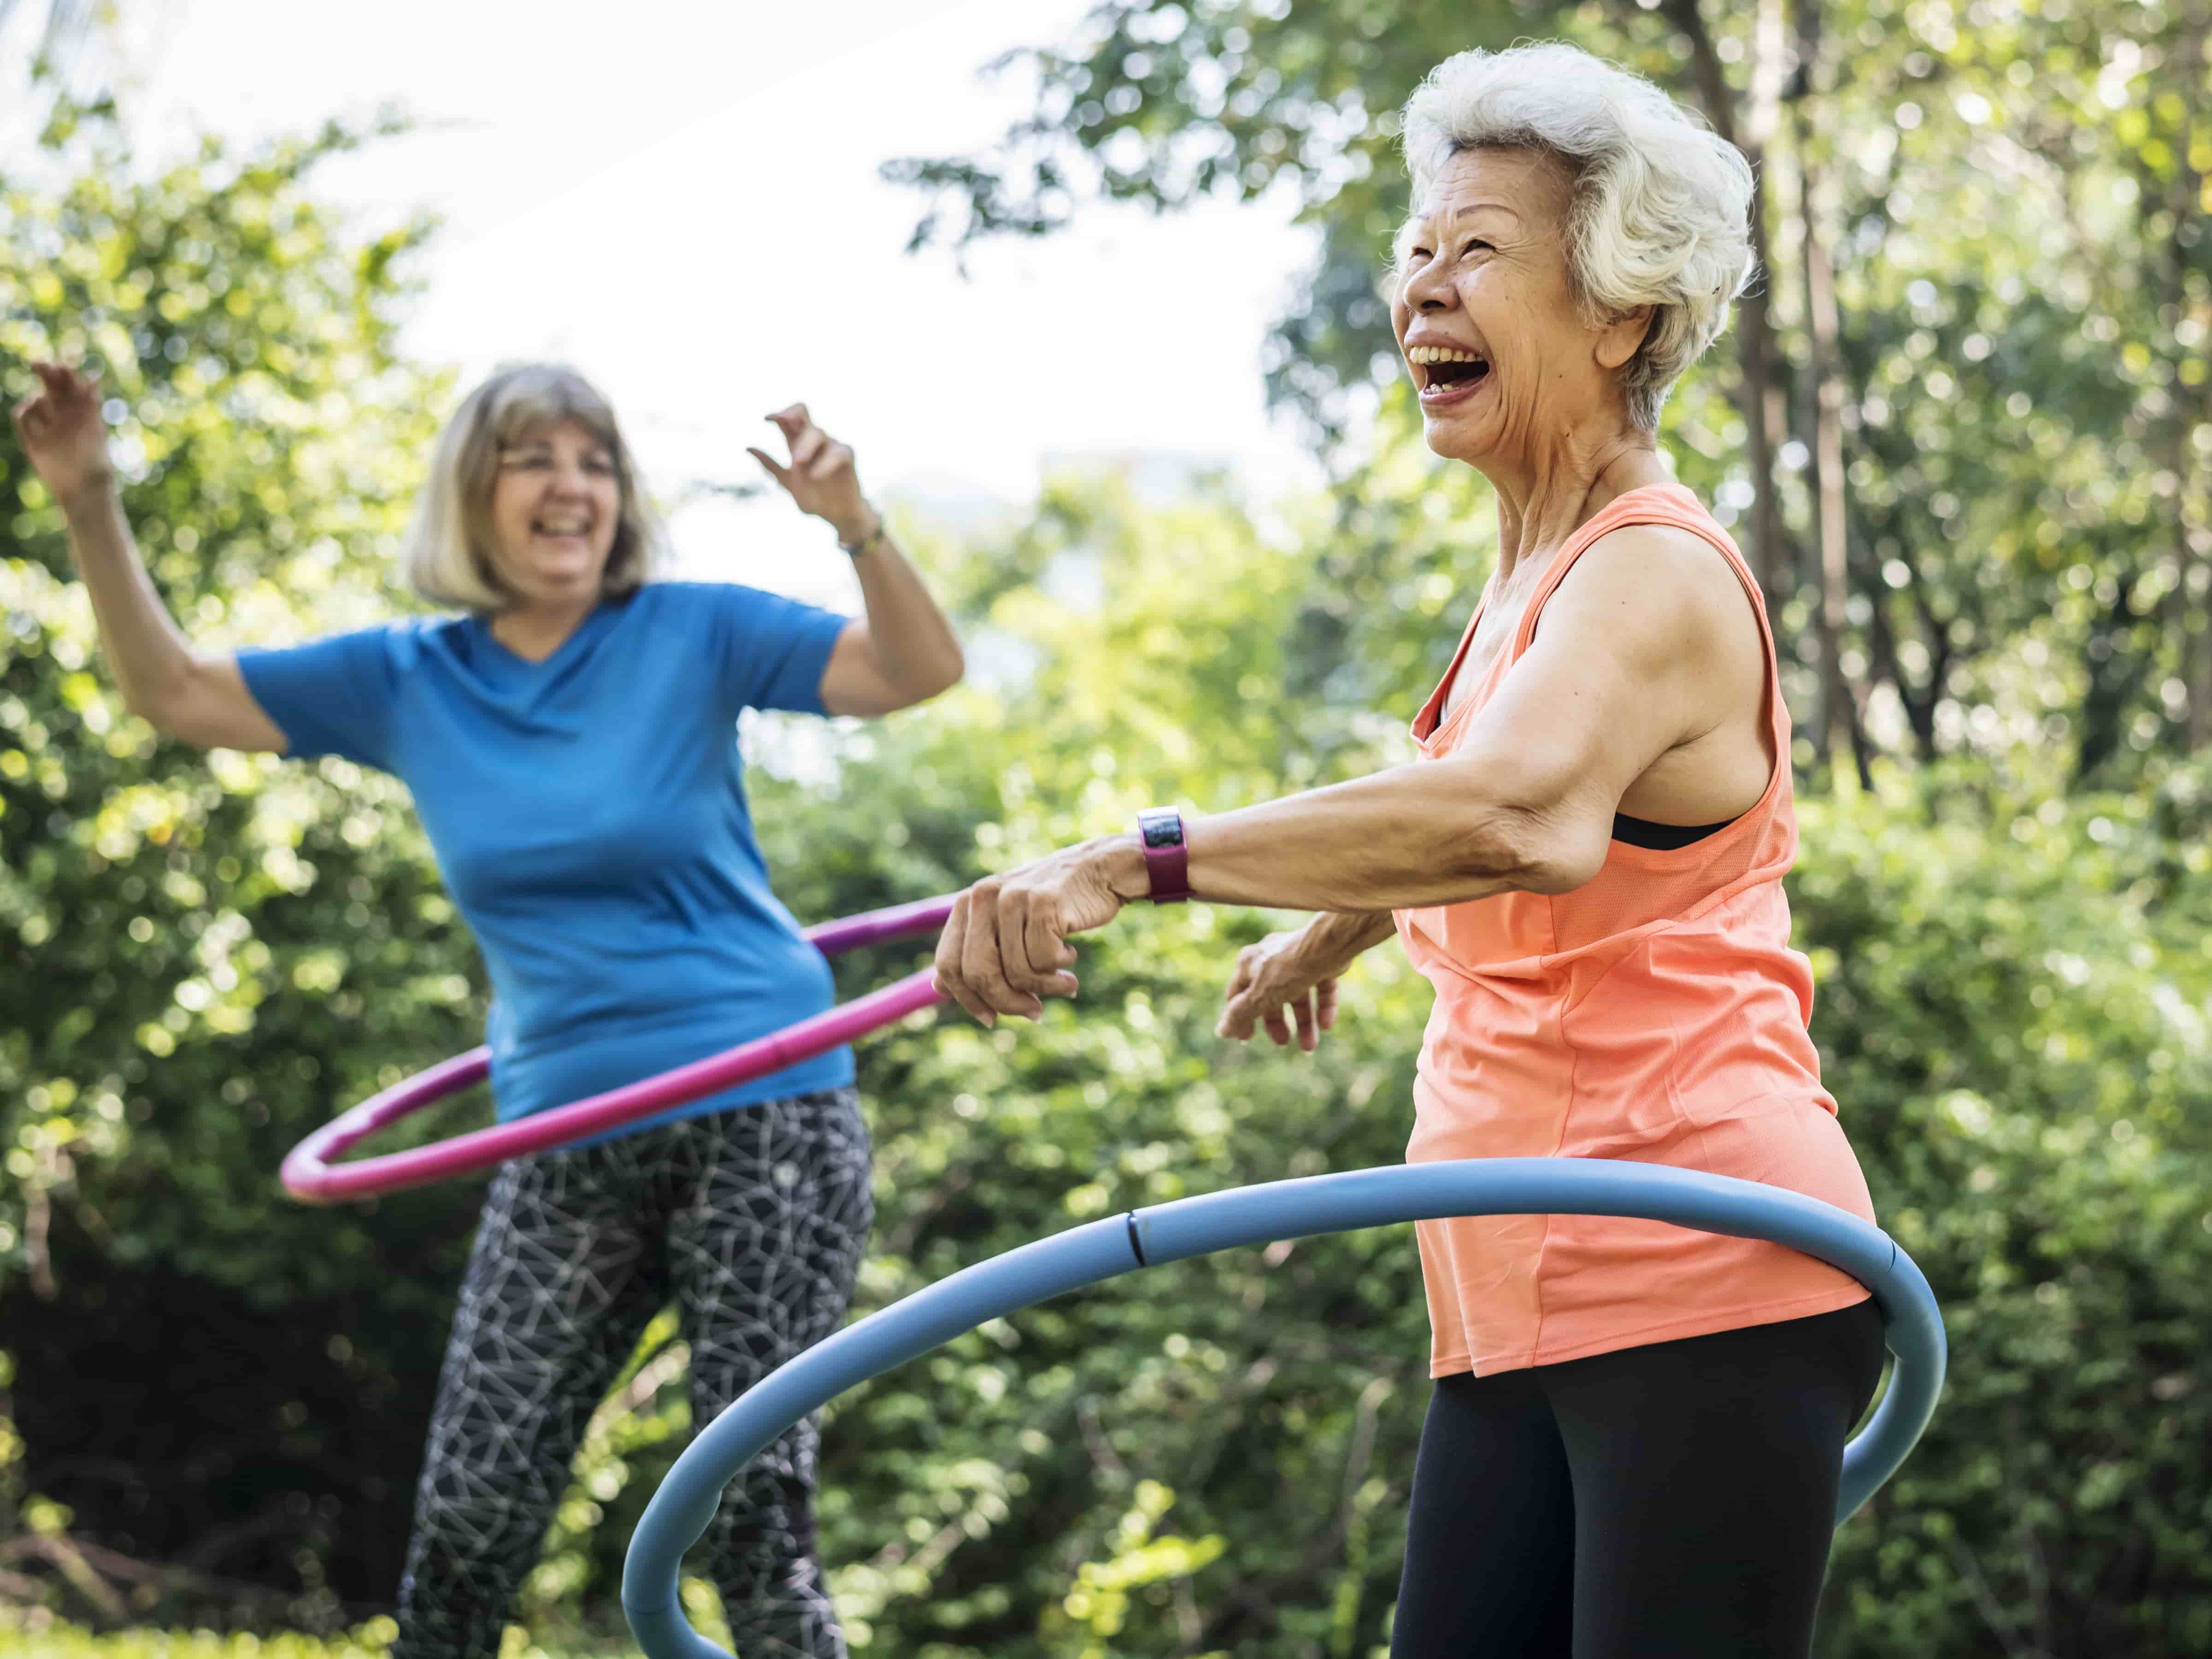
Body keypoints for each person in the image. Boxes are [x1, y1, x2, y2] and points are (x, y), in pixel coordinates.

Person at [928, 41, 1883, 1659]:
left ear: (1623, 313)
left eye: (1481, 254)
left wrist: (1129, 858)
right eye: (1417, 254)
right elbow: (1459, 791)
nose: (1424, 291)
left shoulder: (1650, 572)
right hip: (1513, 1288)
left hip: (1702, 1268)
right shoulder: (1536, 582)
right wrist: (1333, 930)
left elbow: (1517, 812)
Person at [10, 358, 964, 1659]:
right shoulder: (409, 679)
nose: (571, 487)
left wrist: (855, 526)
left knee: (752, 1521)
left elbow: (915, 672)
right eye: (535, 459)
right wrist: (87, 499)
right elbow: (174, 692)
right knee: (467, 1523)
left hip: (767, 1111)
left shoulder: (695, 630)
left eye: (594, 462)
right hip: (560, 1136)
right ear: (477, 491)